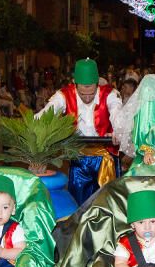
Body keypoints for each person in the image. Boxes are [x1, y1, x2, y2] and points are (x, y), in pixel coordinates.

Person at [38, 58, 123, 204]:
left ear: (97, 84)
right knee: (78, 202)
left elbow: (117, 113)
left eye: (92, 93)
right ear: (75, 85)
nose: (88, 98)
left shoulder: (110, 94)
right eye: (83, 94)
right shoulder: (63, 95)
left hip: (105, 156)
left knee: (108, 203)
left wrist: (119, 130)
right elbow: (45, 115)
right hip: (78, 158)